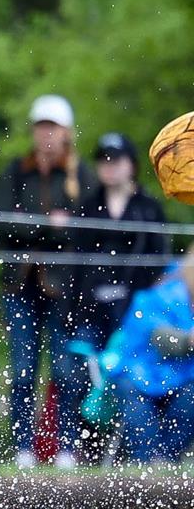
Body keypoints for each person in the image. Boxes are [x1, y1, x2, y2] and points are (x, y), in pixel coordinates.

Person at [0, 94, 101, 469]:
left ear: (66, 132)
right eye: (41, 126)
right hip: (20, 287)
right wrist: (50, 225)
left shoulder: (82, 175)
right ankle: (23, 446)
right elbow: (4, 223)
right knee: (22, 370)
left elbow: (85, 229)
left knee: (64, 371)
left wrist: (34, 226)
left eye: (52, 127)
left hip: (63, 290)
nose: (46, 134)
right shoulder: (15, 171)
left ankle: (66, 446)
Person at [70, 132, 169, 353]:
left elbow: (160, 258)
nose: (109, 166)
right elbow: (76, 259)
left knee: (127, 377)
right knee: (78, 376)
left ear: (132, 164)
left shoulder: (149, 207)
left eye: (116, 160)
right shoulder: (87, 206)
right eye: (104, 160)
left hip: (135, 307)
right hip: (90, 307)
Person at [101, 251, 194, 463]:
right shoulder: (158, 297)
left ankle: (167, 463)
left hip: (182, 376)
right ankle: (145, 464)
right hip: (136, 371)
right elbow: (159, 337)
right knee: (137, 405)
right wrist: (187, 340)